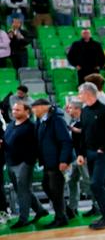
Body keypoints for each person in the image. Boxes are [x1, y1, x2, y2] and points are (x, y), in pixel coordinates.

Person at [78, 82, 105, 229]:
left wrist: (104, 147)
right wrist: (81, 153)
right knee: (94, 185)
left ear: (88, 93)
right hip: (90, 153)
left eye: (80, 93)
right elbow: (83, 134)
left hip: (104, 153)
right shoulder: (85, 111)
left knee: (97, 183)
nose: (79, 96)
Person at [4, 100, 48, 227]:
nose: (14, 112)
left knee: (23, 190)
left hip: (24, 163)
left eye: (18, 110)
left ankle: (23, 218)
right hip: (11, 162)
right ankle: (40, 210)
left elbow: (36, 145)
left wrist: (29, 161)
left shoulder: (31, 126)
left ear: (27, 111)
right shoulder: (11, 125)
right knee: (21, 190)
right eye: (13, 109)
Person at [30, 98, 72, 228]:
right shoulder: (41, 121)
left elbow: (66, 141)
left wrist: (64, 160)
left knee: (55, 190)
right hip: (47, 161)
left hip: (56, 161)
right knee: (47, 187)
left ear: (43, 107)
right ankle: (67, 211)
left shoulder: (56, 120)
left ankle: (61, 218)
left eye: (35, 108)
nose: (33, 111)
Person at [64, 99, 87, 219]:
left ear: (78, 109)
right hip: (75, 156)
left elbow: (87, 133)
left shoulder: (85, 119)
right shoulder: (73, 120)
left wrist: (75, 130)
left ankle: (98, 206)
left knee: (89, 181)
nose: (68, 110)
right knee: (72, 180)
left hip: (84, 156)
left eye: (70, 108)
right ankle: (73, 207)